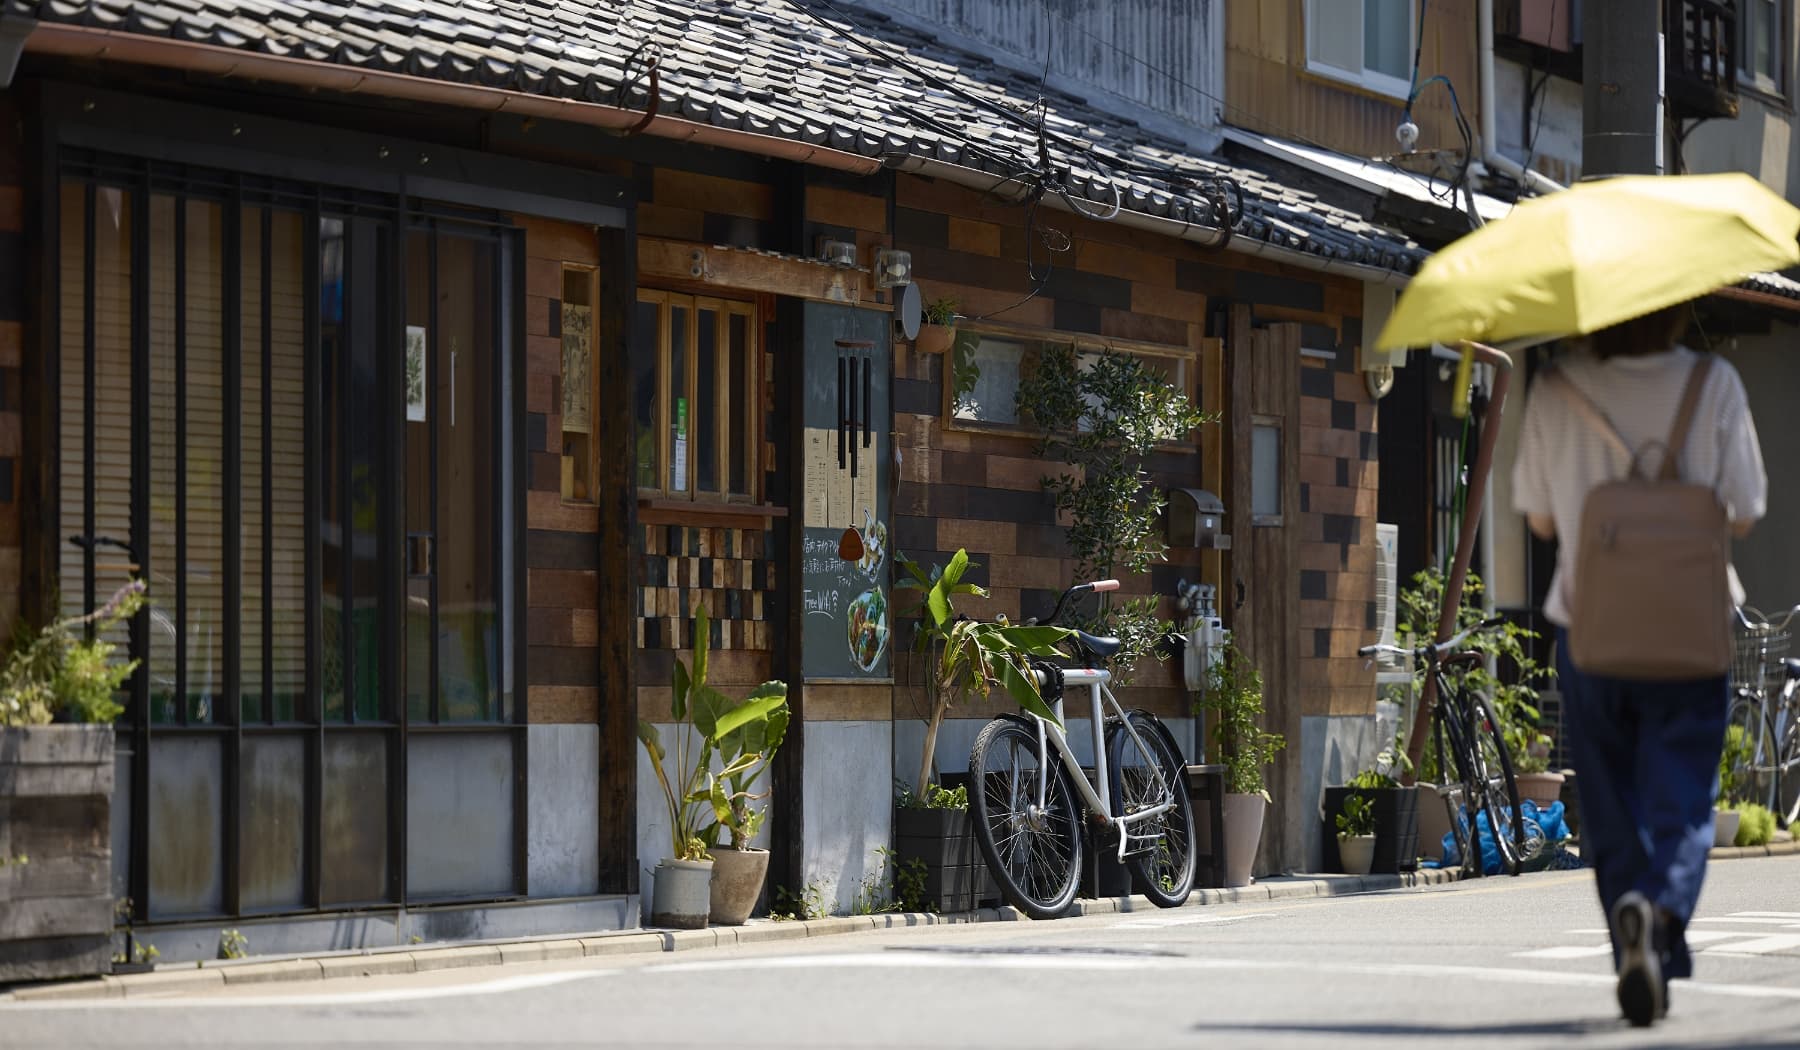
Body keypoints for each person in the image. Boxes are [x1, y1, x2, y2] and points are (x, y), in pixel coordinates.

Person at [1512, 302, 1767, 1028]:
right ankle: (1656, 912)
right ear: (1678, 306)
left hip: (1589, 624)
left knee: (1609, 795)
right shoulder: (1713, 382)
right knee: (1684, 795)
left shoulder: (1556, 386)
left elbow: (1538, 519)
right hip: (1692, 624)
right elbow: (1745, 511)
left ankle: (1628, 905)